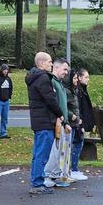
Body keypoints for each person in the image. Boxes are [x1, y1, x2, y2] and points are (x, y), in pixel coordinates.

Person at [25, 52, 63, 194]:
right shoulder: (42, 78)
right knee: (42, 154)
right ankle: (37, 184)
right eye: (49, 61)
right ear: (41, 63)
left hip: (39, 121)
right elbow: (50, 100)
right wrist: (60, 114)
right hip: (45, 121)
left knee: (38, 154)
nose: (51, 64)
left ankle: (36, 181)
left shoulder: (34, 77)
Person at [44, 58, 73, 188]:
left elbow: (63, 105)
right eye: (64, 69)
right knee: (54, 150)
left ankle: (55, 175)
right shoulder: (53, 82)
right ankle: (48, 175)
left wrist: (66, 122)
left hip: (62, 122)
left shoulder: (60, 83)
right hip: (56, 121)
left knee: (59, 150)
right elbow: (53, 104)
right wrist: (60, 119)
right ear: (56, 67)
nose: (66, 72)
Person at [63, 70, 88, 181]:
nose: (76, 80)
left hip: (76, 122)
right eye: (74, 78)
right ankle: (71, 170)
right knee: (71, 146)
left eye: (77, 78)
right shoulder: (68, 91)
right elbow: (64, 106)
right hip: (72, 122)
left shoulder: (74, 90)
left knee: (76, 144)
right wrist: (72, 116)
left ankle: (72, 169)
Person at [0, 64, 13, 139]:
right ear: (1, 70)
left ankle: (4, 132)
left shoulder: (8, 79)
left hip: (6, 101)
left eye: (7, 70)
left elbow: (11, 88)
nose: (6, 71)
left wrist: (9, 96)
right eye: (4, 69)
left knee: (5, 118)